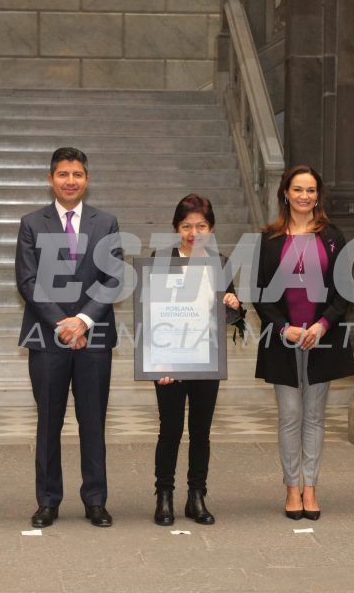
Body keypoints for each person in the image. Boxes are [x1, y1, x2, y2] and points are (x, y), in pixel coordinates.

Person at [15, 147, 123, 528]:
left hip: (93, 337)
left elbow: (114, 278)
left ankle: (95, 500)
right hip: (47, 337)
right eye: (63, 174)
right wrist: (63, 323)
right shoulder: (32, 223)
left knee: (93, 421)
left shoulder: (105, 223)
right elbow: (27, 280)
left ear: (87, 180)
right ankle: (48, 500)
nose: (70, 181)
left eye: (77, 174)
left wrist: (82, 320)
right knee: (49, 421)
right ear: (51, 179)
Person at [254, 165, 354, 521]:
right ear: (286, 193)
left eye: (310, 190)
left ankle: (310, 486)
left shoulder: (332, 237)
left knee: (314, 416)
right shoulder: (268, 239)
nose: (304, 196)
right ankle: (291, 486)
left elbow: (344, 291)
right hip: (284, 340)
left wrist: (323, 325)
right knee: (290, 416)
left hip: (321, 339)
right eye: (298, 189)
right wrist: (284, 329)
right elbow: (260, 295)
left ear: (318, 195)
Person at [150, 194, 246, 526]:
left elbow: (232, 319)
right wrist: (157, 362)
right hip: (170, 361)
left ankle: (196, 496)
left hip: (206, 358)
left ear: (211, 228)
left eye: (201, 226)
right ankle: (164, 496)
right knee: (170, 430)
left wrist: (234, 305)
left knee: (201, 431)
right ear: (177, 228)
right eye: (187, 226)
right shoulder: (161, 259)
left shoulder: (220, 262)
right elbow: (150, 315)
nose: (194, 232)